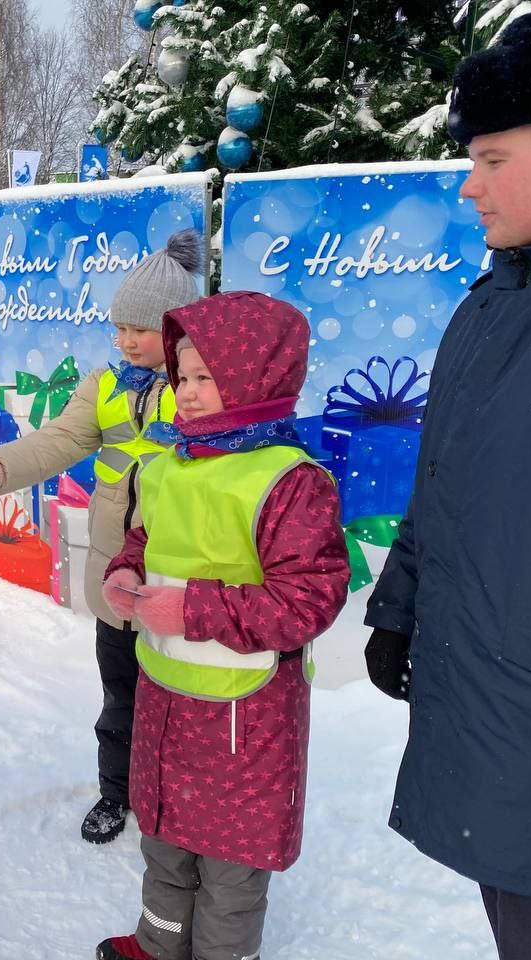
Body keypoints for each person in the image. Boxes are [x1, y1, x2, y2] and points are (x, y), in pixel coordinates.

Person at [362, 4, 531, 958]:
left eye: (491, 158)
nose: (469, 186)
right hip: (502, 730)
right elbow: (447, 481)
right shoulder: (495, 299)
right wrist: (401, 605)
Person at [95, 291, 350, 960]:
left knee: (231, 867)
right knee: (165, 842)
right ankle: (159, 944)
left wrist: (194, 610)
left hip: (247, 717)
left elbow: (309, 601)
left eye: (209, 375)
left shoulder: (290, 482)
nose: (191, 391)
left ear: (257, 376)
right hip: (166, 700)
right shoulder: (167, 466)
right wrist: (124, 574)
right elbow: (144, 541)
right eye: (184, 376)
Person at [0, 230, 202, 844]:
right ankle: (117, 793)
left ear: (173, 327)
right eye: (117, 328)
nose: (122, 340)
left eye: (136, 329)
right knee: (121, 699)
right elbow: (59, 442)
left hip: (186, 572)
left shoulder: (204, 383)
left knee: (186, 698)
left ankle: (179, 800)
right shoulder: (105, 384)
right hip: (118, 571)